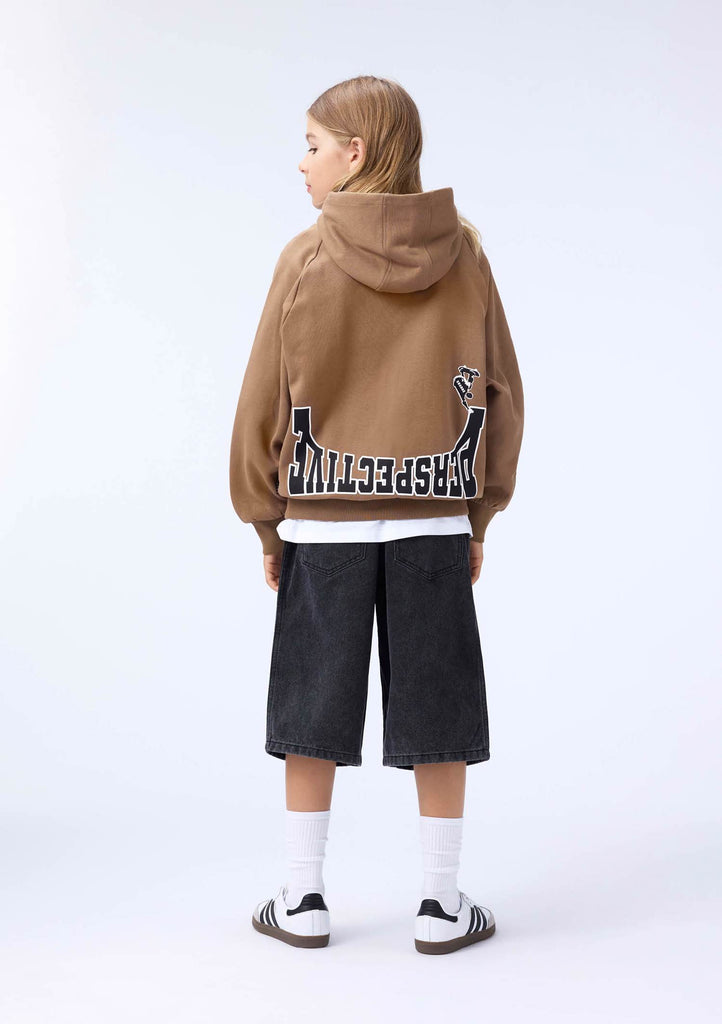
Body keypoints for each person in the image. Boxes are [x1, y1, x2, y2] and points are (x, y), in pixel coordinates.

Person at [229, 75, 524, 955]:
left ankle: (303, 899)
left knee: (311, 709)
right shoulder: (465, 255)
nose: (302, 162)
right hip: (434, 519)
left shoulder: (305, 257)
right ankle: (440, 905)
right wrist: (478, 515)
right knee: (439, 710)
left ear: (355, 153)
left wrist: (266, 519)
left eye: (313, 145)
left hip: (323, 522)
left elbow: (262, 398)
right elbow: (501, 394)